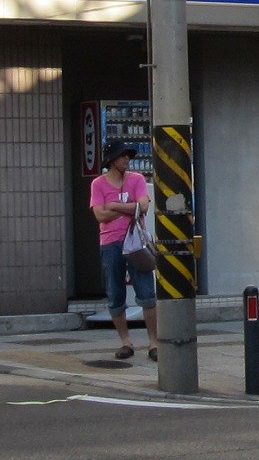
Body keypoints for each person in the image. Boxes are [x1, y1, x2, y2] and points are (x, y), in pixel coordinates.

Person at [89, 140, 158, 361]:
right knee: (115, 293)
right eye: (122, 156)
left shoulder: (137, 179)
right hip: (110, 242)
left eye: (128, 156)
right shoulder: (98, 184)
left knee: (147, 293)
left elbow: (144, 206)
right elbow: (100, 215)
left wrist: (115, 206)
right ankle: (125, 342)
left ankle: (153, 343)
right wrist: (130, 209)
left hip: (136, 242)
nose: (127, 159)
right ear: (112, 160)